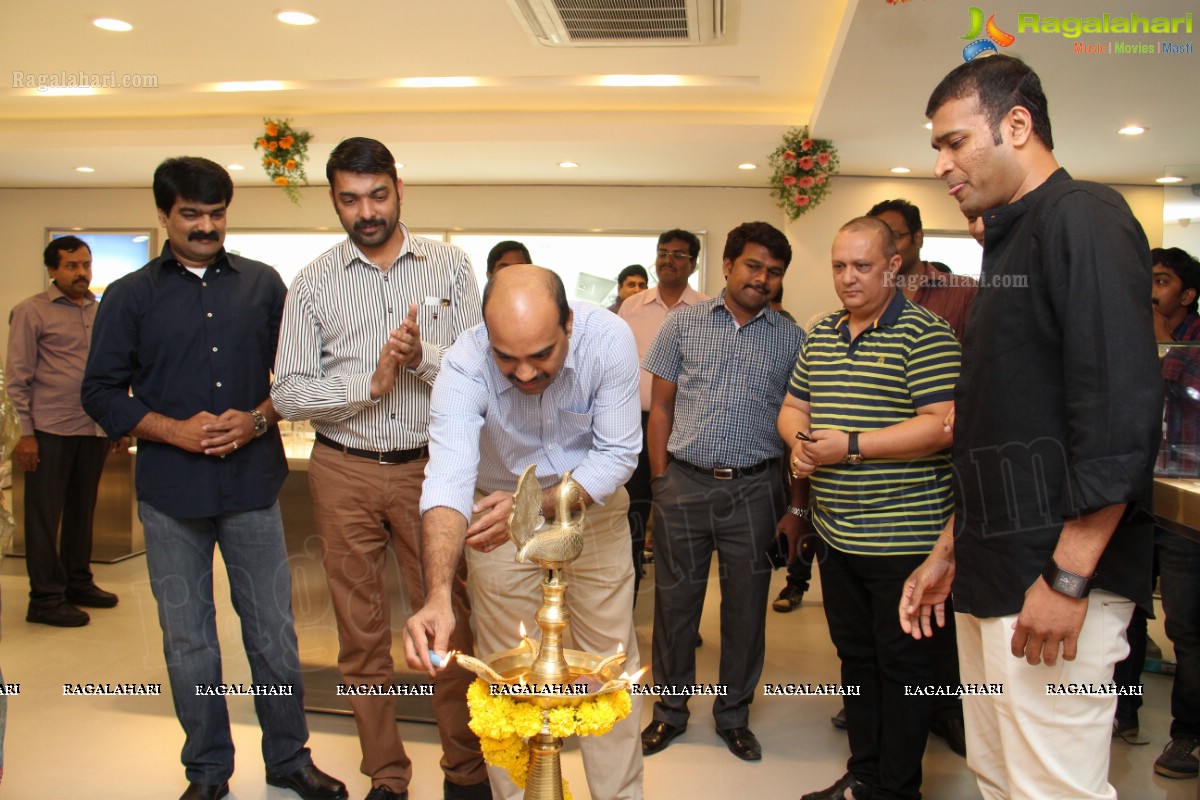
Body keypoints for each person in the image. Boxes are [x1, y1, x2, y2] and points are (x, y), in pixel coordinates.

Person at [900, 55, 1161, 800]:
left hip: (1052, 581)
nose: (942, 165)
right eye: (936, 149)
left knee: (1053, 789)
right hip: (995, 570)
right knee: (1000, 779)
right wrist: (951, 549)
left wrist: (1068, 575)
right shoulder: (1011, 243)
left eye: (954, 142)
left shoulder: (1083, 215)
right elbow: (999, 423)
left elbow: (1119, 414)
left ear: (1017, 124)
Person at [81, 157, 346, 800]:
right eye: (191, 215)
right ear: (165, 215)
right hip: (171, 494)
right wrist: (172, 429)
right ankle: (207, 771)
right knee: (189, 641)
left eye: (217, 214)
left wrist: (257, 420)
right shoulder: (129, 296)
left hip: (252, 485)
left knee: (273, 635)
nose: (206, 227)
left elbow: (295, 378)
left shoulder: (263, 285)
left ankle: (289, 759)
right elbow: (100, 391)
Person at [271, 137, 488, 800]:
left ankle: (466, 770)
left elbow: (480, 371)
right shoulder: (313, 282)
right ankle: (387, 777)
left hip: (433, 471)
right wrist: (369, 383)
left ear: (400, 188)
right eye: (349, 199)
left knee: (448, 620)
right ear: (333, 199)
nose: (365, 211)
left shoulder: (450, 268)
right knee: (360, 633)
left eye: (377, 195)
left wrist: (421, 358)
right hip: (344, 470)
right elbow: (288, 394)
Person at [403, 264, 644, 800]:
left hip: (592, 514)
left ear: (569, 325)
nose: (526, 373)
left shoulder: (609, 339)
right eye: (507, 358)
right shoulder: (464, 364)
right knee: (508, 681)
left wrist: (531, 505)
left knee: (607, 670)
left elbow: (618, 453)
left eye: (542, 356)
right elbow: (446, 480)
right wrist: (438, 595)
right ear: (486, 336)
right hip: (497, 520)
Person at [782, 217, 960, 800]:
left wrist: (850, 446)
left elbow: (940, 427)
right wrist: (801, 447)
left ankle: (897, 788)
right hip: (838, 534)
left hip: (905, 540)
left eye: (862, 266)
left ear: (892, 266)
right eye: (838, 266)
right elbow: (793, 407)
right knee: (855, 661)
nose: (848, 278)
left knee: (905, 670)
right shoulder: (822, 332)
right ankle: (864, 774)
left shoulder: (926, 334)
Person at [639, 221, 805, 762]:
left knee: (745, 610)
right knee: (675, 604)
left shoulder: (790, 336)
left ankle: (733, 716)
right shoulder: (683, 326)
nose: (763, 279)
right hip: (684, 484)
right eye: (754, 266)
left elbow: (800, 422)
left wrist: (795, 505)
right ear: (728, 266)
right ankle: (670, 712)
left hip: (756, 490)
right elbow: (659, 407)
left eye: (774, 272)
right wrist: (661, 481)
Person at [869, 199, 973, 756]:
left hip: (936, 472)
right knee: (886, 622)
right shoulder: (858, 305)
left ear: (917, 239)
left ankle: (943, 708)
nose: (891, 247)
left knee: (934, 604)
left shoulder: (960, 293)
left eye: (899, 236)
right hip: (869, 481)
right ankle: (885, 706)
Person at [6, 236, 122, 627]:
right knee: (43, 515)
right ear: (53, 270)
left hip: (92, 427)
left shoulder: (100, 311)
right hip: (49, 429)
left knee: (82, 511)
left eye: (86, 265)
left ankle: (77, 582)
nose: (81, 273)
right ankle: (45, 598)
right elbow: (17, 378)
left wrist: (118, 421)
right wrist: (25, 434)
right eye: (72, 266)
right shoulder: (31, 312)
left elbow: (114, 371)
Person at [618, 230, 707, 596]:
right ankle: (628, 603)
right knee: (632, 517)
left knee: (681, 522)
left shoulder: (705, 310)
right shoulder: (632, 307)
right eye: (662, 252)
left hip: (684, 427)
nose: (667, 260)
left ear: (693, 263)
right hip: (634, 426)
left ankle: (679, 611)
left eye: (678, 254)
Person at [867, 198, 977, 344]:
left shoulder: (963, 291)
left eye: (894, 237)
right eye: (877, 242)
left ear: (918, 238)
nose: (885, 248)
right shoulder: (867, 293)